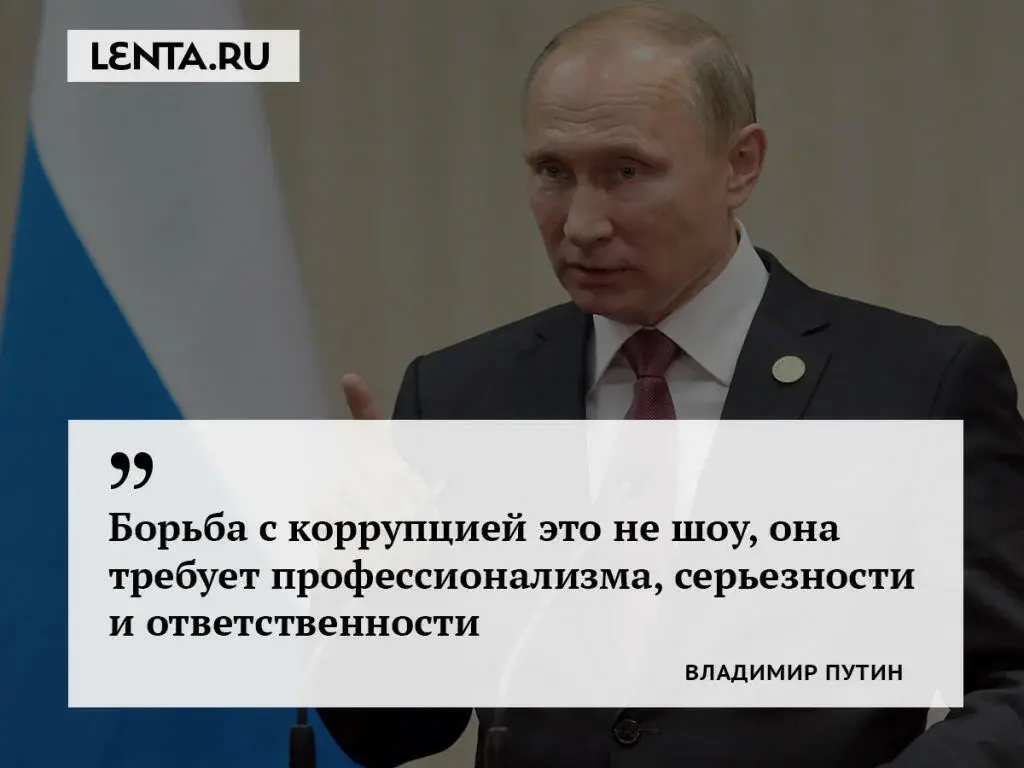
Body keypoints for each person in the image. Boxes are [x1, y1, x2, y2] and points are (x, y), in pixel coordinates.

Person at [319, 4, 1024, 766]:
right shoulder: (462, 396)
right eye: (553, 173)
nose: (581, 223)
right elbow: (392, 734)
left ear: (740, 165)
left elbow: (1012, 680)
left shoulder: (912, 388)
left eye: (625, 172)